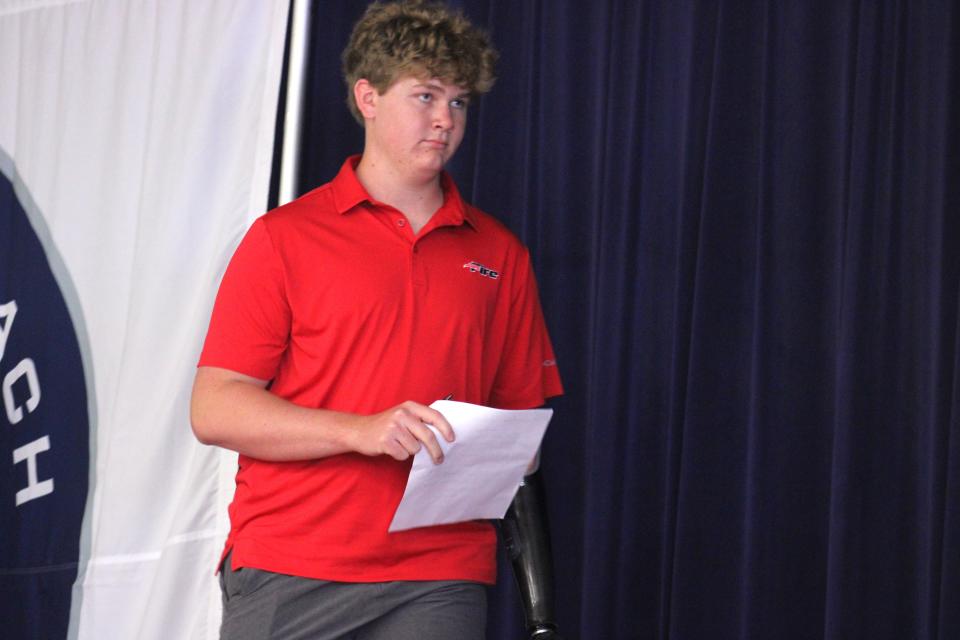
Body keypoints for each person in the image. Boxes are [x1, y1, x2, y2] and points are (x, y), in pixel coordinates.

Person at [191, 2, 563, 638]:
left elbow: (517, 433)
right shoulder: (284, 239)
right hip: (291, 566)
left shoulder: (499, 254)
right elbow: (215, 410)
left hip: (438, 572)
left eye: (460, 102)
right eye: (425, 96)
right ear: (368, 96)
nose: (445, 120)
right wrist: (361, 430)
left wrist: (504, 453)